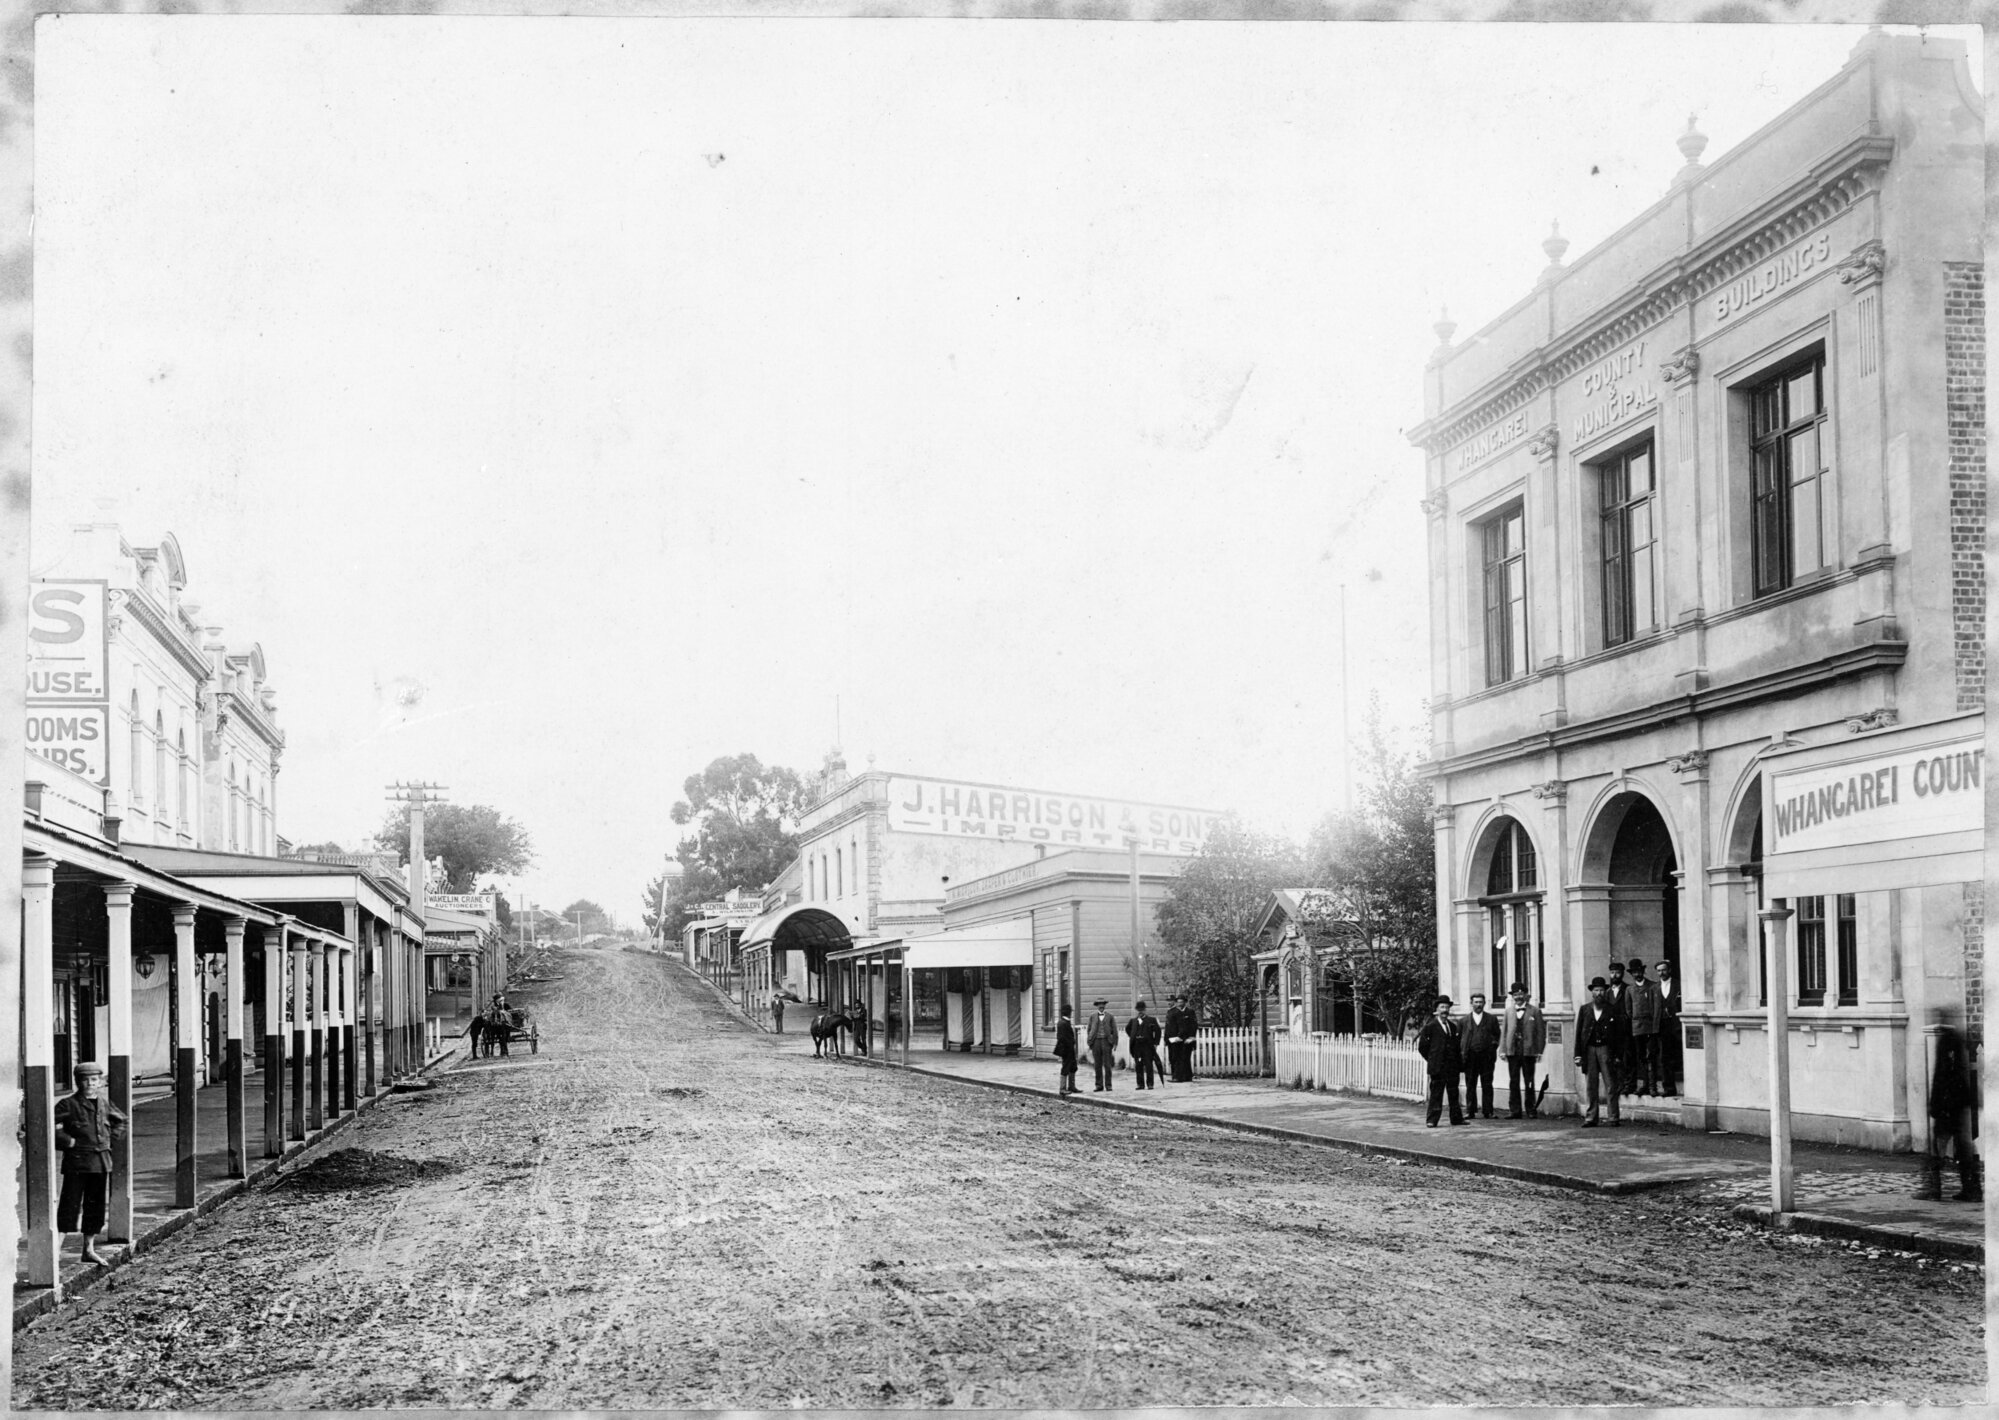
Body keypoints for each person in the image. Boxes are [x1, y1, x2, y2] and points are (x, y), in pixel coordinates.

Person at [54, 1061, 128, 1266]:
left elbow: (121, 1120)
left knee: (94, 1207)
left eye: (94, 1080)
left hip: (101, 1162)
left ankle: (88, 1249)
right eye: (84, 1080)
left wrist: (109, 1139)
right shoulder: (67, 1104)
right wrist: (68, 1142)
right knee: (69, 1204)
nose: (89, 1084)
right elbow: (48, 1126)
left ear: (101, 1082)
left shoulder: (104, 1103)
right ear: (77, 1082)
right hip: (77, 1163)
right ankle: (55, 1251)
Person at [1919, 1019, 1982, 1202]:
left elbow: (1941, 1076)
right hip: (1959, 1103)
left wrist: (1936, 1104)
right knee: (1963, 1149)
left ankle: (1933, 1188)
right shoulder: (1959, 1040)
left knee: (1937, 1147)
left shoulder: (1946, 1043)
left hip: (1947, 1104)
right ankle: (1972, 1188)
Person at [1573, 977, 1627, 1127]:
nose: (1599, 993)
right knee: (1591, 1085)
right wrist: (1578, 1054)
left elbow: (1619, 1035)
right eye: (1596, 990)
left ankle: (1613, 1117)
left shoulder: (1612, 1009)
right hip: (1589, 1050)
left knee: (1610, 1084)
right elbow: (1579, 1033)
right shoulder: (1585, 1009)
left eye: (1602, 990)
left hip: (1606, 1049)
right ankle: (1591, 1117)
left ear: (1605, 991)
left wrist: (1617, 1055)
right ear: (1592, 992)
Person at [1415, 995, 1466, 1127]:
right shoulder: (1430, 1027)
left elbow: (1457, 1047)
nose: (1445, 1010)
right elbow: (1422, 1047)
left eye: (1447, 1007)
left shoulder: (1453, 1027)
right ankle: (1432, 1120)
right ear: (1437, 1010)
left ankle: (1456, 1119)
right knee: (1436, 1094)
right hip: (1437, 1067)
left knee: (1454, 1093)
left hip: (1452, 1067)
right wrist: (1433, 1059)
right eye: (1442, 1007)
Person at [1498, 983, 1546, 1119]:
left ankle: (1530, 1109)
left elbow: (1541, 1033)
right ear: (1513, 997)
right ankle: (1515, 1110)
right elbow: (1505, 1031)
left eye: (1521, 994)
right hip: (1513, 1051)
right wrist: (1502, 1050)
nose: (1518, 997)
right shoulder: (1508, 1011)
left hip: (1528, 1051)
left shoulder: (1535, 1011)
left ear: (1526, 995)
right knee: (1513, 1081)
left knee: (1529, 1081)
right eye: (1515, 995)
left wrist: (1539, 1051)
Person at [1459, 991, 1501, 1119]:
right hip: (1470, 1057)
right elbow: (1460, 1038)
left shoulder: (1491, 1019)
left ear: (1484, 1003)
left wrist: (1491, 1047)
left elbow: (1497, 1035)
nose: (1478, 1005)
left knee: (1487, 1084)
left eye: (1481, 1002)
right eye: (1476, 1002)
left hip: (1486, 1058)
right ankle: (1470, 1111)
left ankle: (1488, 1111)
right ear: (1471, 1003)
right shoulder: (1464, 1021)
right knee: (1470, 1084)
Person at [1626, 958, 1662, 1097]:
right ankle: (1644, 1085)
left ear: (1643, 971)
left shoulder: (1653, 986)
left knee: (1651, 1056)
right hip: (1637, 1028)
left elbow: (1656, 1008)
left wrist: (1654, 1027)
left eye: (1639, 971)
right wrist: (1635, 1022)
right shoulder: (1629, 989)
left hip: (1650, 1027)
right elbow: (1628, 1010)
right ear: (1631, 974)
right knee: (1640, 1057)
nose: (1637, 974)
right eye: (1634, 972)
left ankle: (1653, 1087)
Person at [1603, 961, 1633, 1094]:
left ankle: (1628, 1085)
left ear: (1622, 974)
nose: (1614, 975)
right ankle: (1617, 1084)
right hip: (1611, 1030)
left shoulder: (1628, 989)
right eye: (1612, 972)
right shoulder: (1607, 992)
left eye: (1617, 973)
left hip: (1625, 1029)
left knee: (1627, 1057)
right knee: (1613, 1058)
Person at [1655, 959, 1683, 1096]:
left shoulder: (1679, 985)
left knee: (1681, 1055)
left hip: (1677, 1025)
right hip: (1662, 1026)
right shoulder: (1654, 988)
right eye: (1659, 970)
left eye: (1664, 970)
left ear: (1669, 970)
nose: (1661, 973)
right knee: (1665, 1057)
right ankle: (1669, 1088)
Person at [1126, 1002, 1163, 1090]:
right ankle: (1140, 1084)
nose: (1140, 1012)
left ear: (1145, 1010)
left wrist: (1155, 1043)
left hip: (1147, 1046)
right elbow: (1128, 1029)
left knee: (1148, 1064)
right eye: (1139, 1010)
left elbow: (1158, 1032)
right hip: (1137, 1046)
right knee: (1138, 1065)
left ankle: (1150, 1084)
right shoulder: (1133, 1021)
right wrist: (1133, 1037)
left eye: (1142, 1010)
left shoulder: (1151, 1020)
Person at [1163, 994, 1198, 1083]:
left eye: (1181, 1002)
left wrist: (1190, 1037)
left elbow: (1192, 1025)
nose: (1179, 1004)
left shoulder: (1188, 1012)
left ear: (1185, 1002)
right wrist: (1167, 1039)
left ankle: (1185, 1076)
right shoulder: (1171, 1012)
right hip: (1173, 1039)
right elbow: (1168, 1027)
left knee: (1184, 1058)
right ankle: (1177, 1076)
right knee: (1174, 1058)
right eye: (1178, 1002)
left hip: (1184, 1039)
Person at [1087, 999, 1120, 1092]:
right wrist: (1090, 1041)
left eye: (1103, 1004)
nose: (1101, 1006)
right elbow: (1089, 1029)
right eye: (1099, 1005)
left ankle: (1108, 1085)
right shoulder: (1092, 1016)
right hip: (1096, 1042)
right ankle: (1099, 1085)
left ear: (1105, 1006)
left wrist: (1115, 1042)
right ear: (1096, 1006)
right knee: (1097, 1064)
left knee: (1107, 1064)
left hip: (1106, 1042)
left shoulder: (1110, 1016)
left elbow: (1114, 1030)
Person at [1054, 1003, 1079, 1096]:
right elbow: (1062, 1038)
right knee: (1066, 1067)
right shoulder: (1063, 1023)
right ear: (1069, 1013)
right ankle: (1062, 1088)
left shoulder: (1063, 1022)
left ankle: (1071, 1086)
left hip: (1069, 1048)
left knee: (1073, 1067)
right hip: (1067, 1049)